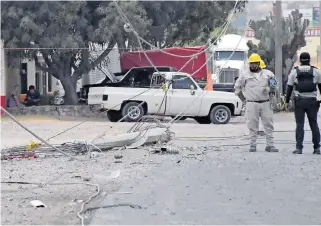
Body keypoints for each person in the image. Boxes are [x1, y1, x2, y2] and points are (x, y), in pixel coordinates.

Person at [234, 53, 279, 152]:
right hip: (251, 103)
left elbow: (275, 86)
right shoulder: (245, 75)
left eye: (254, 63)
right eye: (251, 63)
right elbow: (237, 88)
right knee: (252, 125)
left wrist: (269, 89)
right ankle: (253, 145)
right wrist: (244, 100)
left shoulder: (268, 74)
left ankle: (270, 145)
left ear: (258, 63)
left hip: (266, 103)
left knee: (268, 124)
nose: (252, 65)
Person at [285, 52, 321, 155]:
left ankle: (299, 148)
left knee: (300, 124)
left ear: (300, 60)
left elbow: (289, 88)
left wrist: (286, 102)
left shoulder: (294, 71)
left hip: (299, 101)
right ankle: (317, 148)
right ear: (309, 60)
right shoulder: (316, 71)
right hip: (312, 102)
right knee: (314, 124)